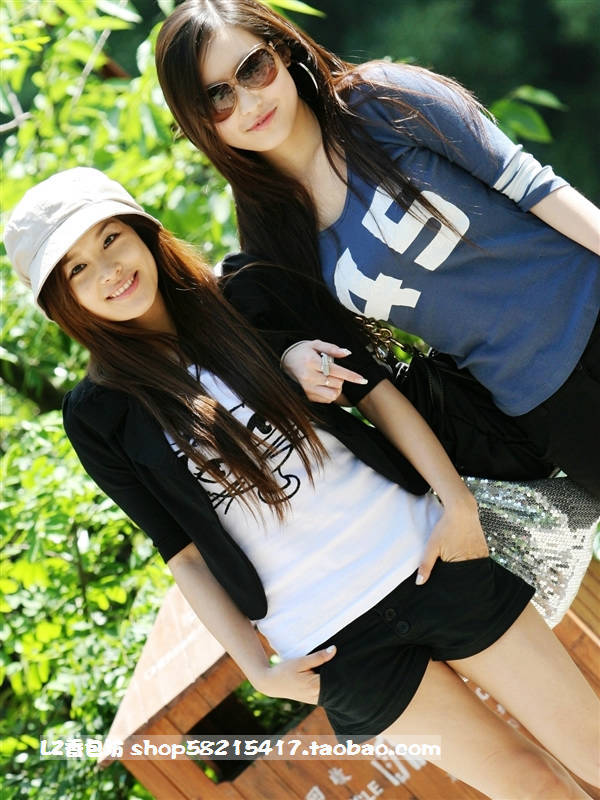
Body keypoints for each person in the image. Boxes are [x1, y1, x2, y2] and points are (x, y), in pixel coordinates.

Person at [4, 167, 599, 799]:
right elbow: (182, 553)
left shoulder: (249, 294)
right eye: (77, 269)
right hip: (331, 643)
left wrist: (457, 505)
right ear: (60, 300)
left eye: (111, 239)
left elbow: (376, 393)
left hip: (428, 559)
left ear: (143, 233)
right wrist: (258, 669)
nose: (108, 270)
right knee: (532, 786)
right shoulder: (98, 414)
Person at [155, 0, 600, 498]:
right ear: (197, 122)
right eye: (217, 97)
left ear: (282, 50)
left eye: (253, 69)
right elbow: (353, 373)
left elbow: (533, 186)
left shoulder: (381, 102)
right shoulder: (270, 239)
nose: (248, 103)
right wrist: (297, 357)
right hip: (545, 406)